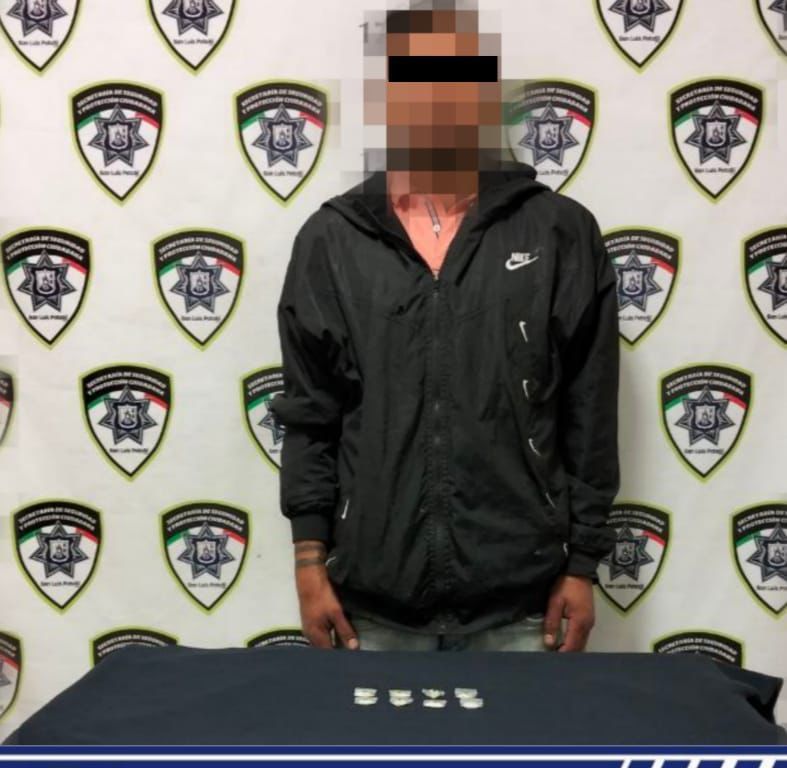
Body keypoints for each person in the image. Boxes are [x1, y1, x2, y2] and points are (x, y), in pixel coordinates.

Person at [269, 1, 620, 653]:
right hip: (367, 608)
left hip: (525, 606)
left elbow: (589, 410)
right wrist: (308, 564)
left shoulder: (560, 232)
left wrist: (582, 564)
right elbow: (310, 416)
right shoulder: (332, 240)